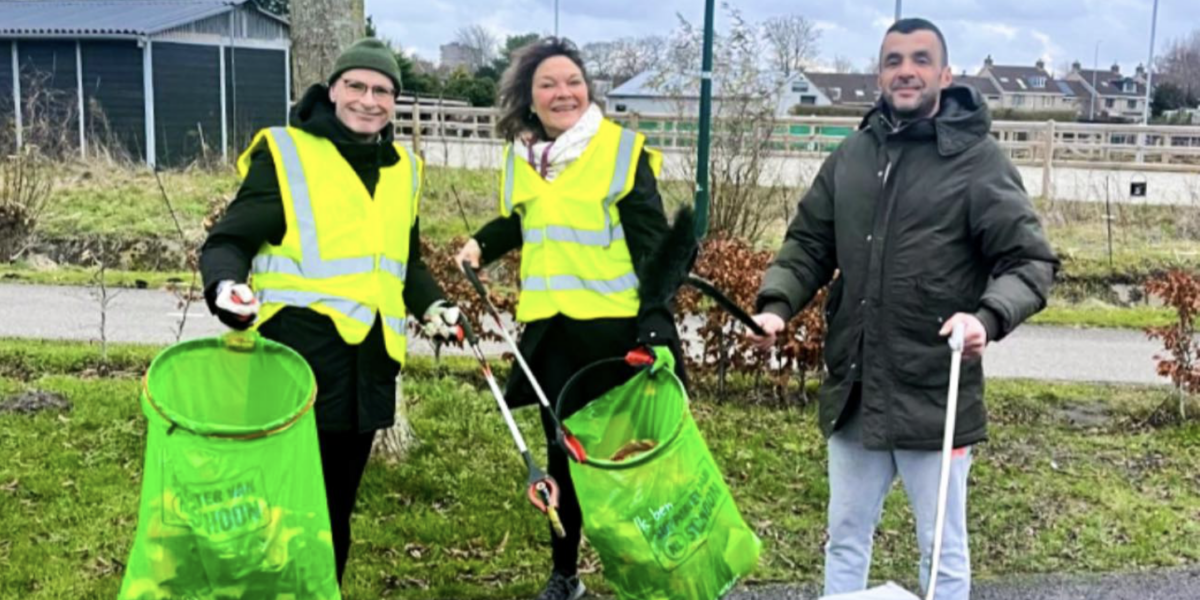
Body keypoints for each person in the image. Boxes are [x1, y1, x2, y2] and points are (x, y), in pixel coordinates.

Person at [746, 18, 1058, 600]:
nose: (905, 70)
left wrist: (985, 319)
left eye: (919, 60)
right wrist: (776, 304)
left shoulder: (977, 161)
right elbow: (809, 244)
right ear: (879, 73)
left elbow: (1030, 262)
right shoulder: (853, 157)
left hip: (934, 393)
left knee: (941, 548)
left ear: (944, 74)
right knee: (844, 536)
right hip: (856, 390)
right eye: (893, 61)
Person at [199, 38, 459, 584]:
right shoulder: (288, 154)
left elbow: (402, 263)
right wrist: (224, 287)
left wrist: (433, 304)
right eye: (357, 86)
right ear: (333, 90)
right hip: (297, 365)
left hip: (368, 369)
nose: (369, 99)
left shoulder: (404, 170)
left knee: (337, 511)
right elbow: (229, 241)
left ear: (395, 101)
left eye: (382, 90)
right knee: (283, 508)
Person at [454, 37, 684, 600]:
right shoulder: (524, 159)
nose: (564, 93)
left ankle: (656, 575)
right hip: (551, 337)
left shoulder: (620, 151)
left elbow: (658, 250)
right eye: (548, 85)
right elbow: (524, 219)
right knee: (562, 459)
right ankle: (566, 575)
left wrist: (656, 322)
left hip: (613, 336)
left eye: (573, 82)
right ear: (529, 101)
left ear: (588, 89)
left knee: (628, 464)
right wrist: (482, 243)